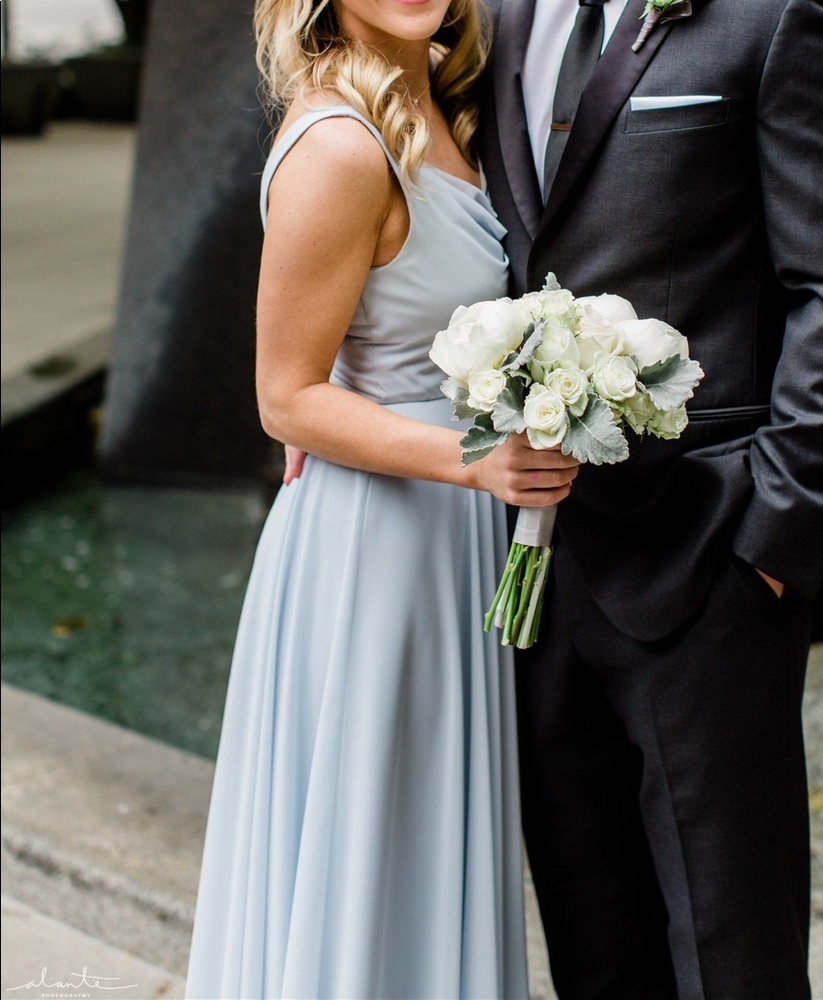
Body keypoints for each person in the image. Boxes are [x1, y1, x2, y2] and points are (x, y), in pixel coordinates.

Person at [472, 0, 823, 997]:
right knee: (594, 957)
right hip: (526, 569)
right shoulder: (482, 19)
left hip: (709, 559)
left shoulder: (783, 13)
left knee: (732, 960)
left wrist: (771, 546)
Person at [184, 0, 578, 997]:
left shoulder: (449, 100)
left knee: (420, 844)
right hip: (377, 548)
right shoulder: (340, 144)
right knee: (370, 847)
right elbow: (285, 397)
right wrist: (473, 462)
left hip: (449, 535)